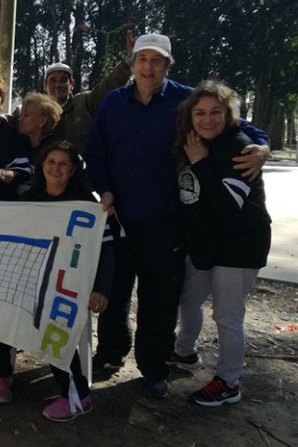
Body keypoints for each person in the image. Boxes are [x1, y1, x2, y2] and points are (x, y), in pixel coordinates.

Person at [85, 33, 271, 397]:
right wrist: (104, 188)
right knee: (115, 289)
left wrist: (262, 146)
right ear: (133, 63)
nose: (148, 67)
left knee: (159, 298)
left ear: (168, 65)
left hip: (166, 220)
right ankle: (109, 353)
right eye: (142, 60)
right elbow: (96, 152)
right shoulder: (113, 102)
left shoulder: (186, 100)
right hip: (119, 217)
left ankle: (154, 368)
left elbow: (235, 124)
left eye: (157, 60)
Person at [171, 81, 271, 406]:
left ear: (228, 114)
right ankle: (184, 352)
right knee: (189, 297)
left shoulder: (239, 145)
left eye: (215, 112)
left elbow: (226, 205)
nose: (207, 119)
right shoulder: (190, 140)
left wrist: (199, 162)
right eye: (200, 112)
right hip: (204, 240)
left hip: (240, 242)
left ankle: (229, 381)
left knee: (227, 316)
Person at [21, 141, 116, 421]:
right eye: (51, 162)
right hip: (33, 281)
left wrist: (101, 289)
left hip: (71, 285)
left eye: (63, 164)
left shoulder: (89, 205)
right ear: (41, 165)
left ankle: (77, 396)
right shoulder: (28, 201)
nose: (56, 168)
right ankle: (2, 377)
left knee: (55, 330)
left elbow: (106, 250)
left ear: (73, 170)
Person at [38, 28, 134, 152]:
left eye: (63, 80)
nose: (58, 85)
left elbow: (109, 86)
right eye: (52, 80)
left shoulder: (84, 103)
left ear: (72, 84)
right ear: (44, 86)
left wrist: (128, 63)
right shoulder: (36, 111)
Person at [15, 92, 63, 186]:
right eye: (21, 114)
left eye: (26, 115)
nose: (20, 118)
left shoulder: (53, 151)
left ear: (42, 121)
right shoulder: (15, 143)